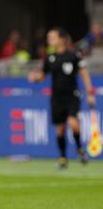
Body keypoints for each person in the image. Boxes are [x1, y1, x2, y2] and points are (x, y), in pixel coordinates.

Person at [28, 27, 95, 169]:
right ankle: (63, 157)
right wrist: (35, 78)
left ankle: (79, 149)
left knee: (73, 123)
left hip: (72, 96)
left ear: (62, 39)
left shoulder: (74, 55)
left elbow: (84, 74)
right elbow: (42, 75)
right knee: (60, 129)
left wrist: (90, 93)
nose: (49, 40)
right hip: (56, 98)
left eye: (52, 37)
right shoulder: (50, 58)